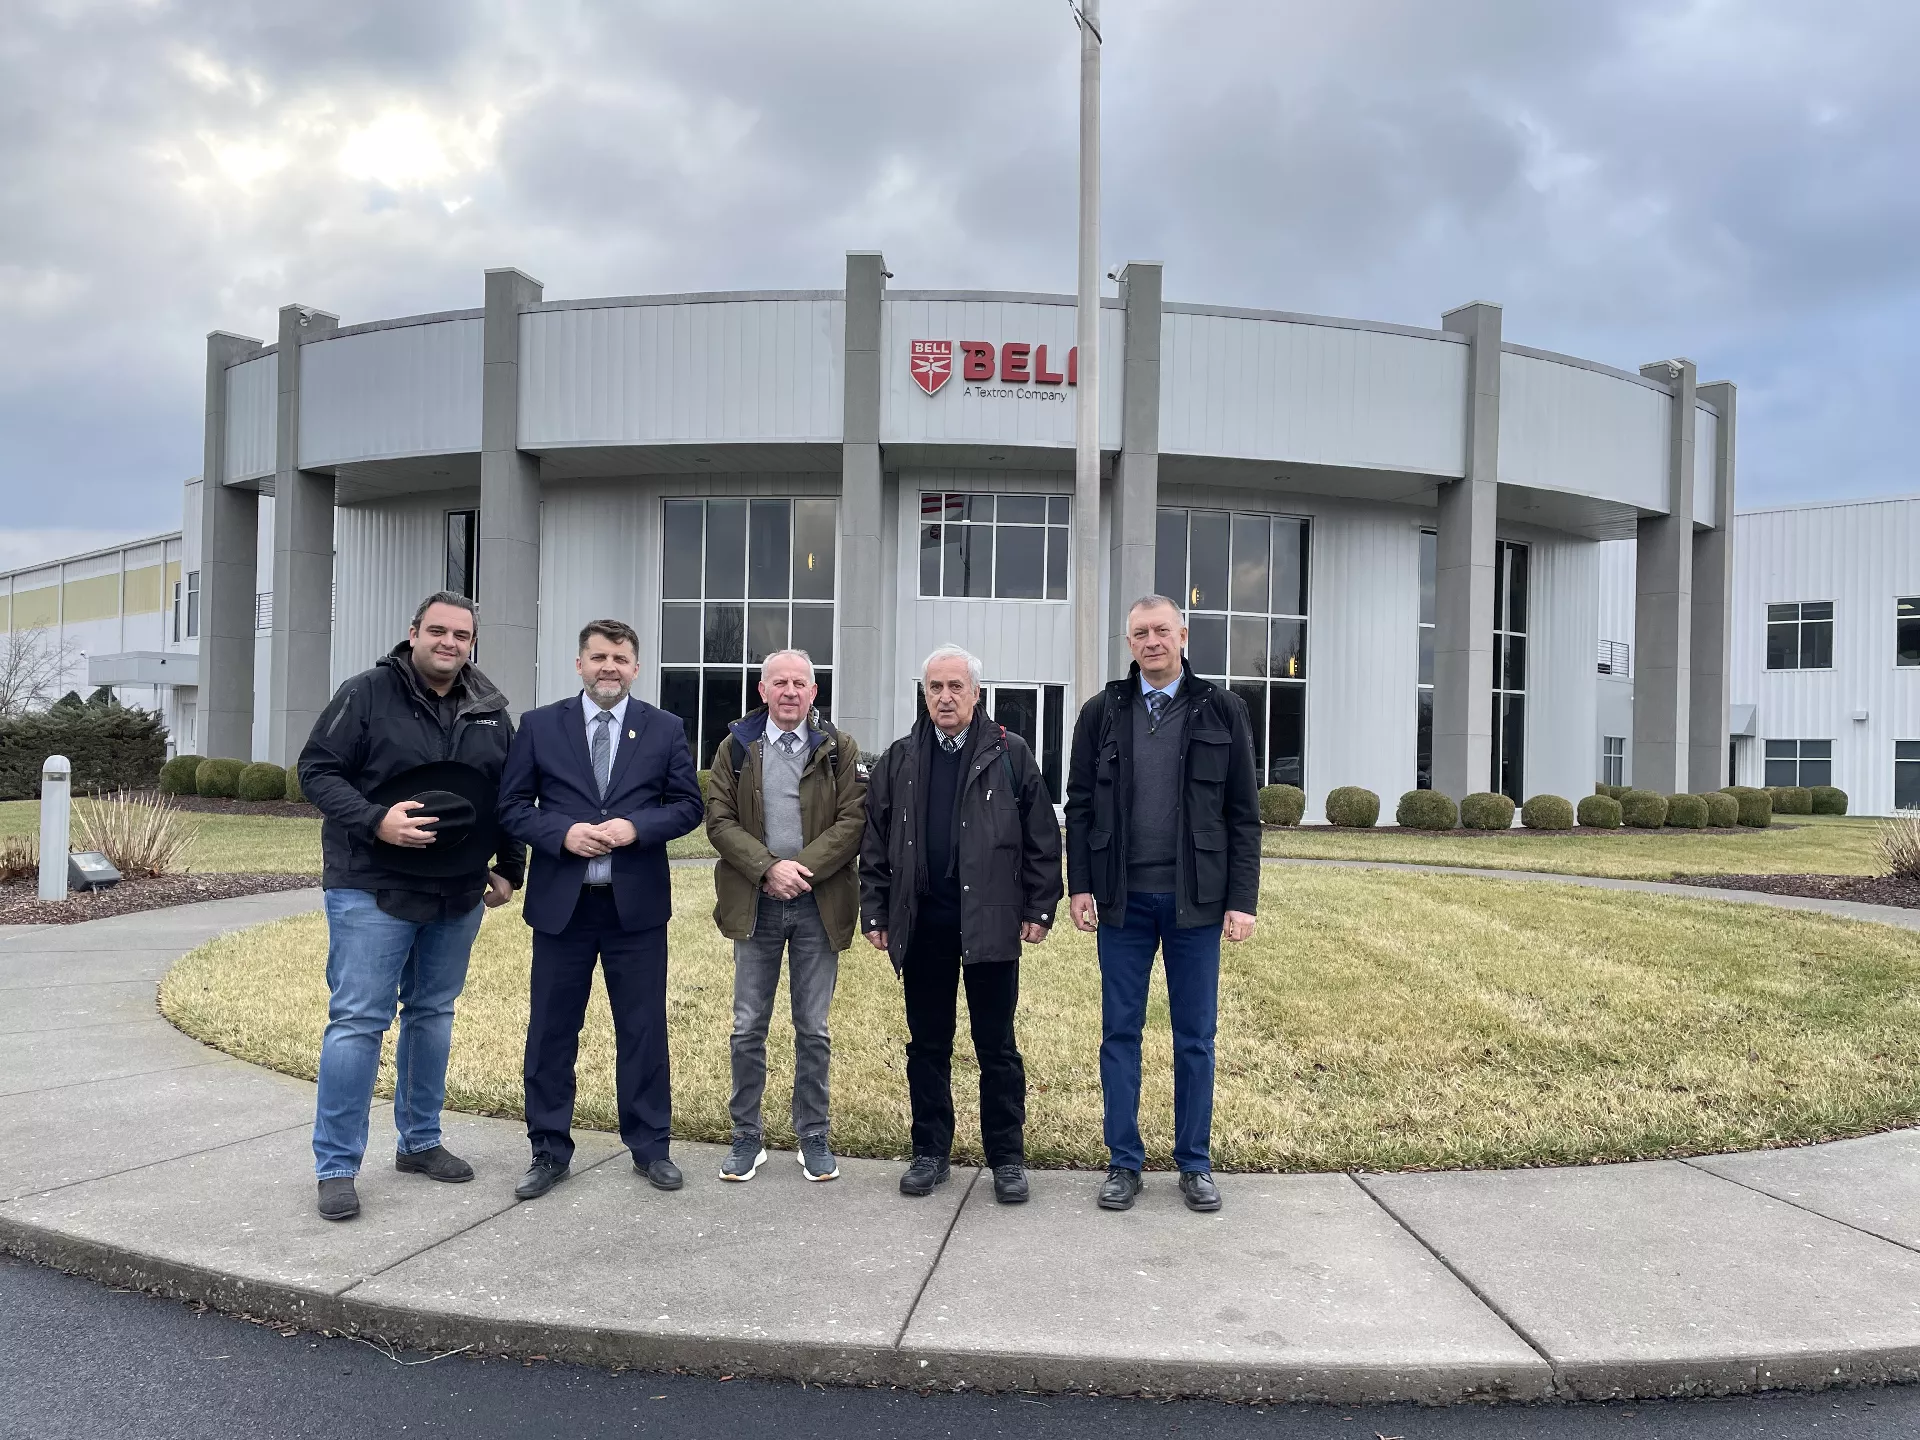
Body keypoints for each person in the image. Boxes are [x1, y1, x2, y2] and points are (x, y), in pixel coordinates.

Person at [297, 591, 524, 1223]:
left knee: (432, 1014)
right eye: (438, 631)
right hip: (371, 882)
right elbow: (316, 771)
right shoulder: (366, 693)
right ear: (414, 632)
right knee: (358, 1022)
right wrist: (376, 819)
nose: (450, 643)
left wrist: (510, 867)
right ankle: (336, 1166)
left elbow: (505, 793)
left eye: (462, 635)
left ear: (472, 643)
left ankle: (420, 1142)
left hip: (457, 888)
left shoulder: (490, 707)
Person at [1064, 594, 1261, 1215]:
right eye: (1140, 634)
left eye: (1161, 631)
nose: (1151, 642)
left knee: (1195, 1037)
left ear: (1183, 635)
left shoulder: (1223, 709)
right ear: (1129, 644)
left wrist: (1242, 899)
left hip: (1195, 903)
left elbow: (1243, 815)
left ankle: (1194, 1164)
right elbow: (1079, 806)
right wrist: (1080, 885)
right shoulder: (1101, 712)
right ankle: (1124, 1163)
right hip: (1121, 904)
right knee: (1120, 1033)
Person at [496, 619, 704, 1201]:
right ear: (579, 664)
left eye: (619, 658)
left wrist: (636, 827)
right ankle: (547, 1150)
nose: (608, 667)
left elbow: (688, 807)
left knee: (642, 1029)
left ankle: (651, 1147)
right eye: (598, 657)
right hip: (562, 910)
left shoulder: (665, 728)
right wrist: (561, 834)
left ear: (635, 667)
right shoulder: (540, 726)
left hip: (635, 912)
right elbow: (512, 806)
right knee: (552, 1030)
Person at [859, 644, 1061, 1205]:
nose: (944, 698)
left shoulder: (1010, 752)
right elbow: (874, 842)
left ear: (976, 693)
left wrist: (1039, 908)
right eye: (935, 688)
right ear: (924, 694)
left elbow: (1042, 838)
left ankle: (1007, 1159)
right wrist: (875, 910)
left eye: (955, 687)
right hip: (923, 923)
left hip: (990, 923)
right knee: (927, 1045)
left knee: (996, 1047)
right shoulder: (900, 758)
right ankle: (930, 1153)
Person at [704, 649, 867, 1183]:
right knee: (747, 1026)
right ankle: (746, 1137)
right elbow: (719, 821)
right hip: (756, 905)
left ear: (814, 692)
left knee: (813, 1028)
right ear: (763, 690)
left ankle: (813, 1135)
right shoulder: (735, 748)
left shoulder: (839, 749)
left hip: (819, 906)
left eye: (800, 683)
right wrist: (768, 869)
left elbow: (853, 821)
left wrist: (801, 871)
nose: (790, 691)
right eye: (780, 682)